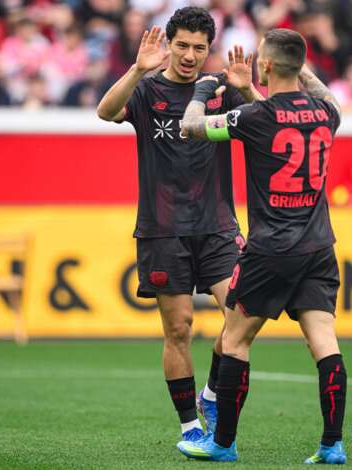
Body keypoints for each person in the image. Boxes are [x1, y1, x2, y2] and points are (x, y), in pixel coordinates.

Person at [176, 28, 347, 464]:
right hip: (319, 247)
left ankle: (223, 444)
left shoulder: (254, 119)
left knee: (234, 341)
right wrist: (269, 77)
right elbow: (320, 98)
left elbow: (191, 127)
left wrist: (201, 91)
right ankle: (332, 445)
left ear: (266, 65)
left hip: (271, 250)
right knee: (324, 341)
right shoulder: (327, 114)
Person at [95, 6, 262, 446]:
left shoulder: (222, 92)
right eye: (182, 45)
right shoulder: (148, 91)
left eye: (199, 48)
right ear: (169, 44)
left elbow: (274, 122)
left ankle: (210, 392)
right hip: (163, 228)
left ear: (210, 51)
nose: (190, 55)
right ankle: (189, 425)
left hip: (218, 227)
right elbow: (105, 111)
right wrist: (136, 69)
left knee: (242, 315)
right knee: (179, 328)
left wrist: (250, 90)